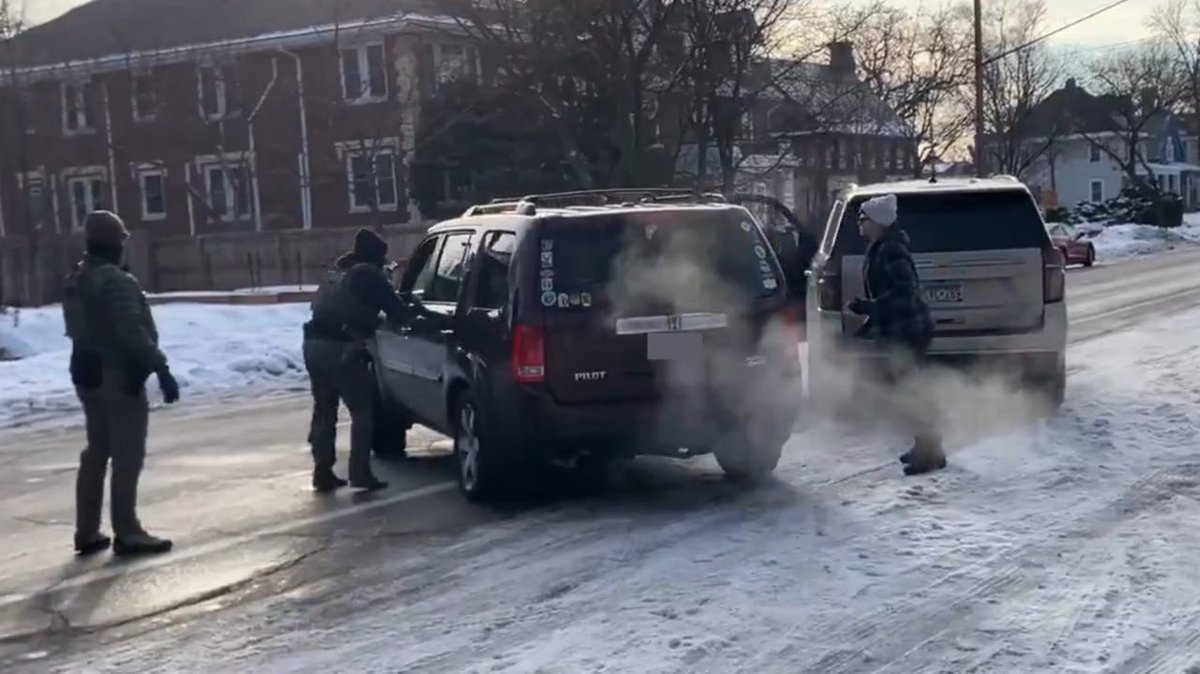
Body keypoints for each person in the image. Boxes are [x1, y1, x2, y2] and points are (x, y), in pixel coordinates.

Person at [62, 211, 180, 556]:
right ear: (115, 242)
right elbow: (131, 331)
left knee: (96, 450)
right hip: (117, 373)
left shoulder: (77, 277)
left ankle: (87, 530)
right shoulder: (115, 281)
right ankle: (127, 530)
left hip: (85, 369)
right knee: (127, 454)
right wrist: (160, 366)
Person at [846, 194, 945, 476]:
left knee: (911, 391)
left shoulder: (890, 249)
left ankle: (930, 452)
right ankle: (925, 445)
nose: (860, 225)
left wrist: (868, 307)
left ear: (877, 222)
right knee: (908, 390)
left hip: (909, 331)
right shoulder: (882, 246)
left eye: (863, 219)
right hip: (901, 329)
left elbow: (905, 292)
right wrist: (865, 327)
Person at [302, 228, 408, 493]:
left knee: (324, 409)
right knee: (362, 410)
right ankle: (360, 472)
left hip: (313, 345)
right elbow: (398, 312)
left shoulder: (336, 272)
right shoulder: (368, 274)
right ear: (376, 256)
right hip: (342, 348)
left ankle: (322, 471)